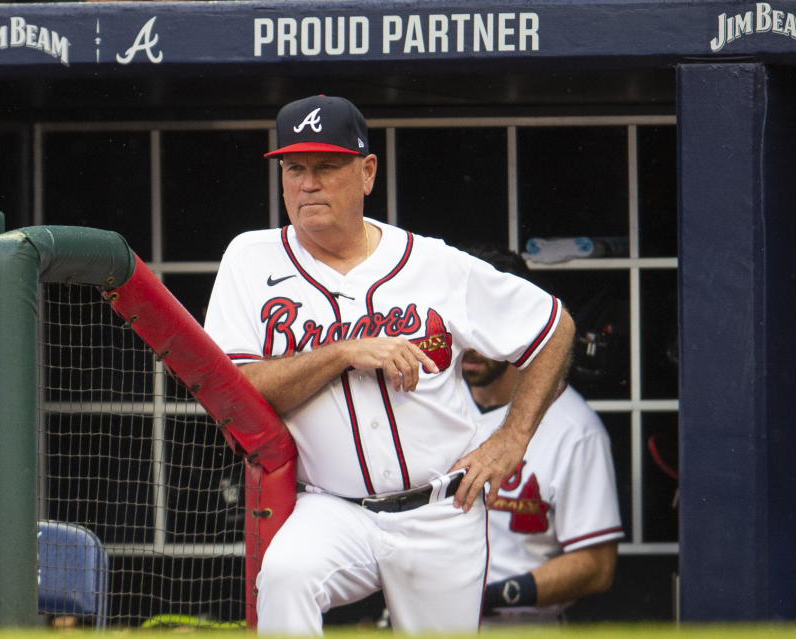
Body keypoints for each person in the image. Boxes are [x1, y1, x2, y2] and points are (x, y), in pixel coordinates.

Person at [202, 95, 575, 635]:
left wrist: (512, 439)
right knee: (286, 575)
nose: (308, 183)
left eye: (326, 167)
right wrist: (343, 352)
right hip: (333, 508)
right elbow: (234, 391)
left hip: (440, 511)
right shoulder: (250, 259)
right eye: (294, 168)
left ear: (367, 171)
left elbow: (553, 325)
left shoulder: (434, 264)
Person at [461, 247, 624, 627]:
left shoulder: (574, 427)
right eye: (463, 321)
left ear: (521, 327)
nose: (470, 339)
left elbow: (596, 566)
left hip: (520, 624)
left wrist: (487, 598)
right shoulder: (431, 404)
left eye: (485, 324)